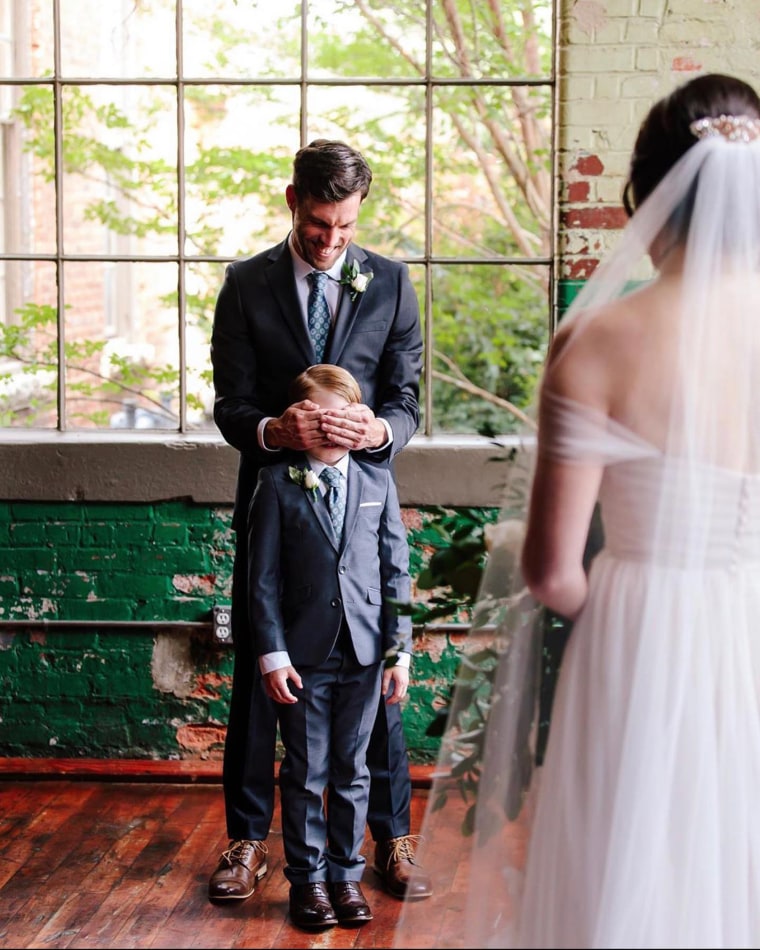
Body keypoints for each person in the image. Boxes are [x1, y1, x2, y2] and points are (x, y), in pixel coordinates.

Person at [394, 72, 760, 949]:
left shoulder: (596, 340)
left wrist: (640, 603)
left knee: (625, 865)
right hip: (750, 625)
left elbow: (553, 573)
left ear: (644, 192)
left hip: (639, 637)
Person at [209, 138, 432, 905]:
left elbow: (407, 402)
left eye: (344, 227)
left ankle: (391, 840)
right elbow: (230, 406)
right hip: (279, 513)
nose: (332, 241)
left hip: (363, 514)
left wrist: (376, 435)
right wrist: (278, 431)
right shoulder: (244, 287)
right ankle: (245, 841)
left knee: (375, 682)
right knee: (260, 679)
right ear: (291, 202)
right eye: (317, 226)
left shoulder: (394, 284)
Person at [248, 364, 413, 929]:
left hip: (367, 654)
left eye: (340, 417)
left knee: (353, 770)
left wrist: (401, 650)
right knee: (306, 770)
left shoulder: (377, 482)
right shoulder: (275, 482)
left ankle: (346, 876)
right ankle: (308, 882)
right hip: (303, 654)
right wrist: (273, 654)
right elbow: (261, 579)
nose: (329, 428)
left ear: (358, 419)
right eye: (316, 416)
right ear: (298, 420)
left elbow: (397, 572)